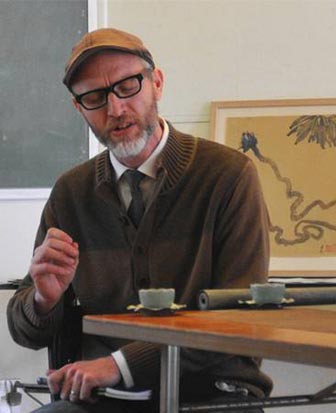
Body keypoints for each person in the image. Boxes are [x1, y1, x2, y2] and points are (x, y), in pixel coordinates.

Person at [7, 28, 272, 413]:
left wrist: (119, 365)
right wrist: (43, 300)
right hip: (104, 401)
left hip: (210, 396)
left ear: (157, 83)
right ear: (79, 109)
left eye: (127, 86)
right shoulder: (71, 192)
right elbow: (26, 332)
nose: (115, 109)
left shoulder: (227, 176)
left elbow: (238, 319)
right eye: (94, 97)